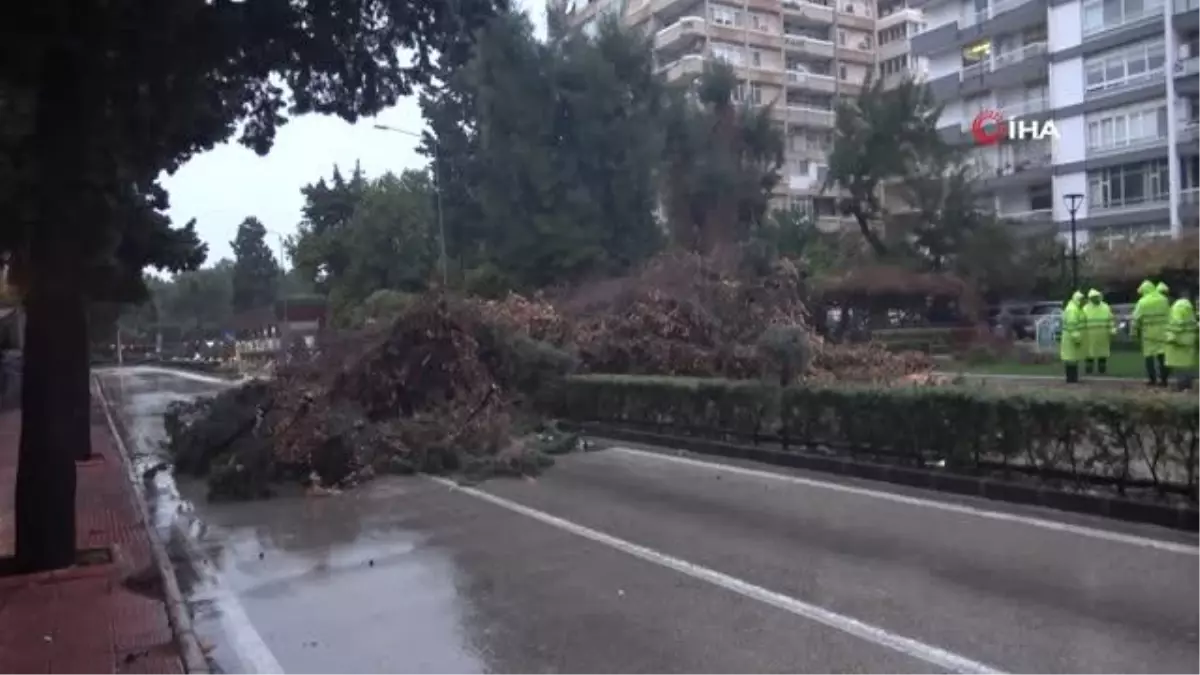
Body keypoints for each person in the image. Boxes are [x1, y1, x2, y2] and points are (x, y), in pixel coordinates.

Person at [1132, 279, 1170, 386]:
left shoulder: (1142, 302)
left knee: (1149, 357)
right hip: (1163, 332)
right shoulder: (1163, 300)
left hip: (1148, 334)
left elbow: (1136, 319)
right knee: (1162, 356)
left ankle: (1152, 380)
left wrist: (1134, 333)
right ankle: (1164, 380)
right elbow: (1169, 315)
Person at [1164, 285, 1196, 390]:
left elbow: (1176, 324)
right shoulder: (1189, 306)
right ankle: (1188, 385)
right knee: (1186, 364)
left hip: (1179, 340)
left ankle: (1182, 386)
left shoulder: (1177, 307)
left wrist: (1171, 337)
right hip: (1189, 339)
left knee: (1179, 365)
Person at [1082, 288, 1115, 375]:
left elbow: (1110, 319)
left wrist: (1112, 329)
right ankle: (1088, 370)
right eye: (1093, 298)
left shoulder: (1105, 307)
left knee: (1102, 354)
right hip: (1089, 335)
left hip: (1102, 335)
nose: (1095, 299)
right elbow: (1082, 321)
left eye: (1096, 297)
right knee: (1089, 354)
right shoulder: (1086, 309)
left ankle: (1102, 370)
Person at [1060, 291, 1085, 384]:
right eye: (1082, 300)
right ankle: (1071, 379)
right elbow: (1072, 326)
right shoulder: (1072, 310)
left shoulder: (1075, 308)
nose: (1083, 302)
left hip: (1072, 338)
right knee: (1070, 359)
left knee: (1073, 359)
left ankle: (1073, 378)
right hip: (1071, 339)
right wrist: (1077, 338)